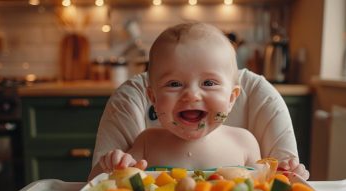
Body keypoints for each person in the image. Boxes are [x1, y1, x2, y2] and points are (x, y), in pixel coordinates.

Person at [88, 22, 309, 181]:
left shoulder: (245, 143)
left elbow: (265, 190)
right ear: (153, 98)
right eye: (174, 84)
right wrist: (112, 165)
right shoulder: (147, 143)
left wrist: (287, 174)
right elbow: (109, 185)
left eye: (209, 83)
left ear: (232, 98)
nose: (192, 95)